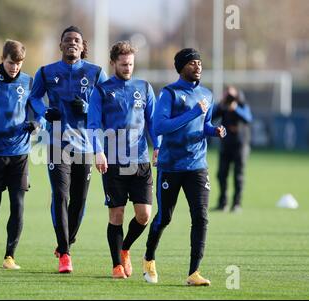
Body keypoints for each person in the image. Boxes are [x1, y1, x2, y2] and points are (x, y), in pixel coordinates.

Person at [143, 48, 226, 286]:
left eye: (199, 62)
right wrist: (192, 113)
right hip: (171, 166)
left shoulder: (206, 94)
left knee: (201, 217)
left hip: (197, 166)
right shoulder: (169, 93)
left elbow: (204, 124)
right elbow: (159, 127)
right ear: (180, 67)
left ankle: (194, 273)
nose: (197, 66)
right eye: (192, 63)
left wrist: (215, 131)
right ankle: (149, 258)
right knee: (165, 217)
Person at [30, 26, 108, 273]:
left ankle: (67, 239)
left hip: (85, 145)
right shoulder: (46, 72)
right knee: (61, 197)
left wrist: (87, 108)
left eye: (76, 40)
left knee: (79, 200)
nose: (72, 43)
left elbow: (108, 102)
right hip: (56, 145)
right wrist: (44, 112)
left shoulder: (96, 73)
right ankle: (65, 253)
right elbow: (33, 98)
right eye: (67, 40)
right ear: (61, 45)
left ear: (83, 46)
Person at [88, 41, 160, 279]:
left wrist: (158, 146)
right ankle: (117, 265)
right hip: (113, 162)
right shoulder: (102, 91)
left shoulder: (144, 87)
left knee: (144, 215)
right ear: (113, 63)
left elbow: (153, 122)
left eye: (130, 64)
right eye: (123, 64)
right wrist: (98, 151)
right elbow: (93, 125)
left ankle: (125, 248)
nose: (128, 68)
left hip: (139, 162)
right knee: (116, 215)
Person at [0, 39, 43, 270]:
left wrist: (37, 124)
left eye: (19, 63)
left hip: (20, 153)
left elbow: (39, 110)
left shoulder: (29, 81)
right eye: (11, 62)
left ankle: (9, 256)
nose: (15, 67)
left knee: (18, 205)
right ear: (2, 59)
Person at [212, 86, 253, 213]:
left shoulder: (241, 104)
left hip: (240, 146)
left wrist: (235, 108)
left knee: (238, 175)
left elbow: (248, 118)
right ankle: (222, 203)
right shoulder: (223, 107)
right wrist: (221, 104)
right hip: (226, 145)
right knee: (221, 175)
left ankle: (236, 204)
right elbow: (211, 116)